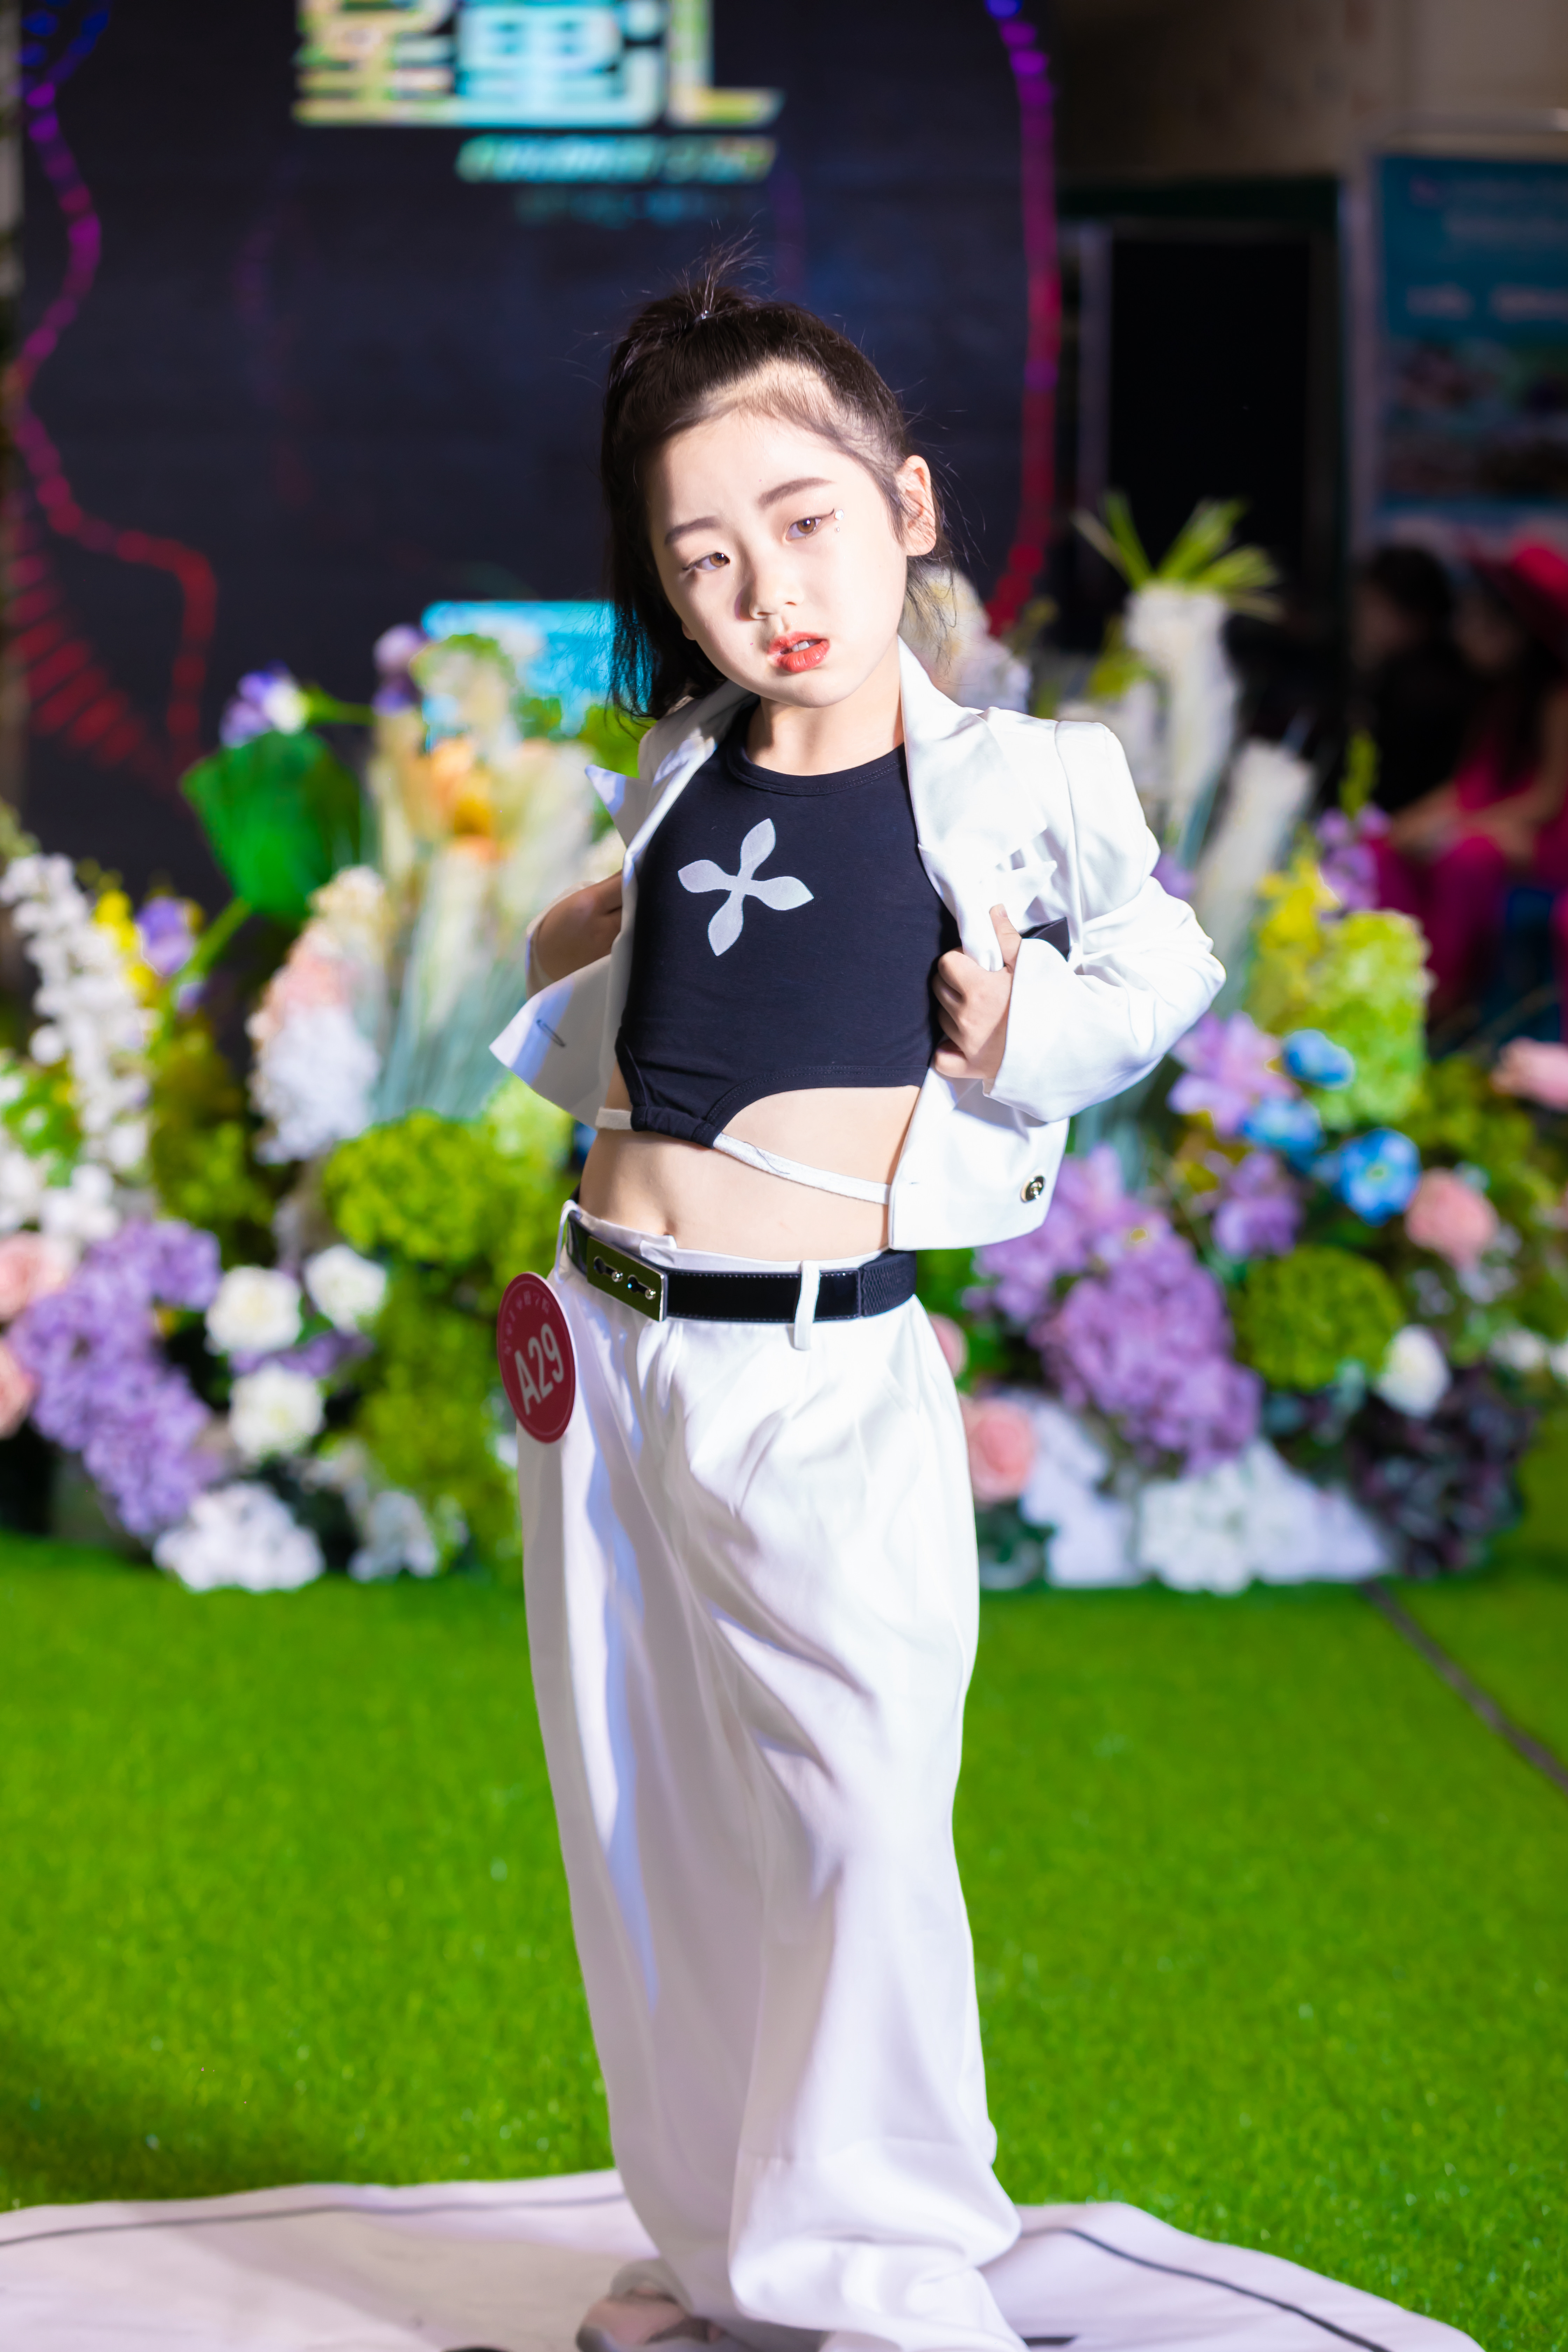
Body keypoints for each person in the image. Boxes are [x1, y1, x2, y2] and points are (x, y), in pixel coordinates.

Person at [491, 272, 1222, 2352]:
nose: (764, 591)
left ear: (902, 506)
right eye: (701, 557)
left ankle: (887, 2272)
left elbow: (1159, 967)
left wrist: (1023, 1025)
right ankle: (717, 2239)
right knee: (645, 1808)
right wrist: (570, 944)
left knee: (854, 1809)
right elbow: (634, 1002)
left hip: (813, 1359)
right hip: (604, 1346)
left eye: (802, 522)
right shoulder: (677, 754)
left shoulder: (1023, 774)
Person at [1372, 541, 1568, 1021]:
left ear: (1518, 630)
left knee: (1462, 856)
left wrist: (1456, 826)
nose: (1464, 632)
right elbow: (1467, 783)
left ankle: (1447, 998)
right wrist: (1409, 822)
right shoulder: (1497, 697)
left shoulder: (1557, 699)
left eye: (1481, 620)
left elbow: (1546, 799)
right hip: (1496, 824)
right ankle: (1396, 981)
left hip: (1544, 837)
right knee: (1384, 845)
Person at [1350, 544, 1474, 816]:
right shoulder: (1393, 674)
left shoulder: (1429, 694)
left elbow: (1396, 790)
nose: (1362, 619)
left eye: (1374, 607)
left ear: (1417, 617)